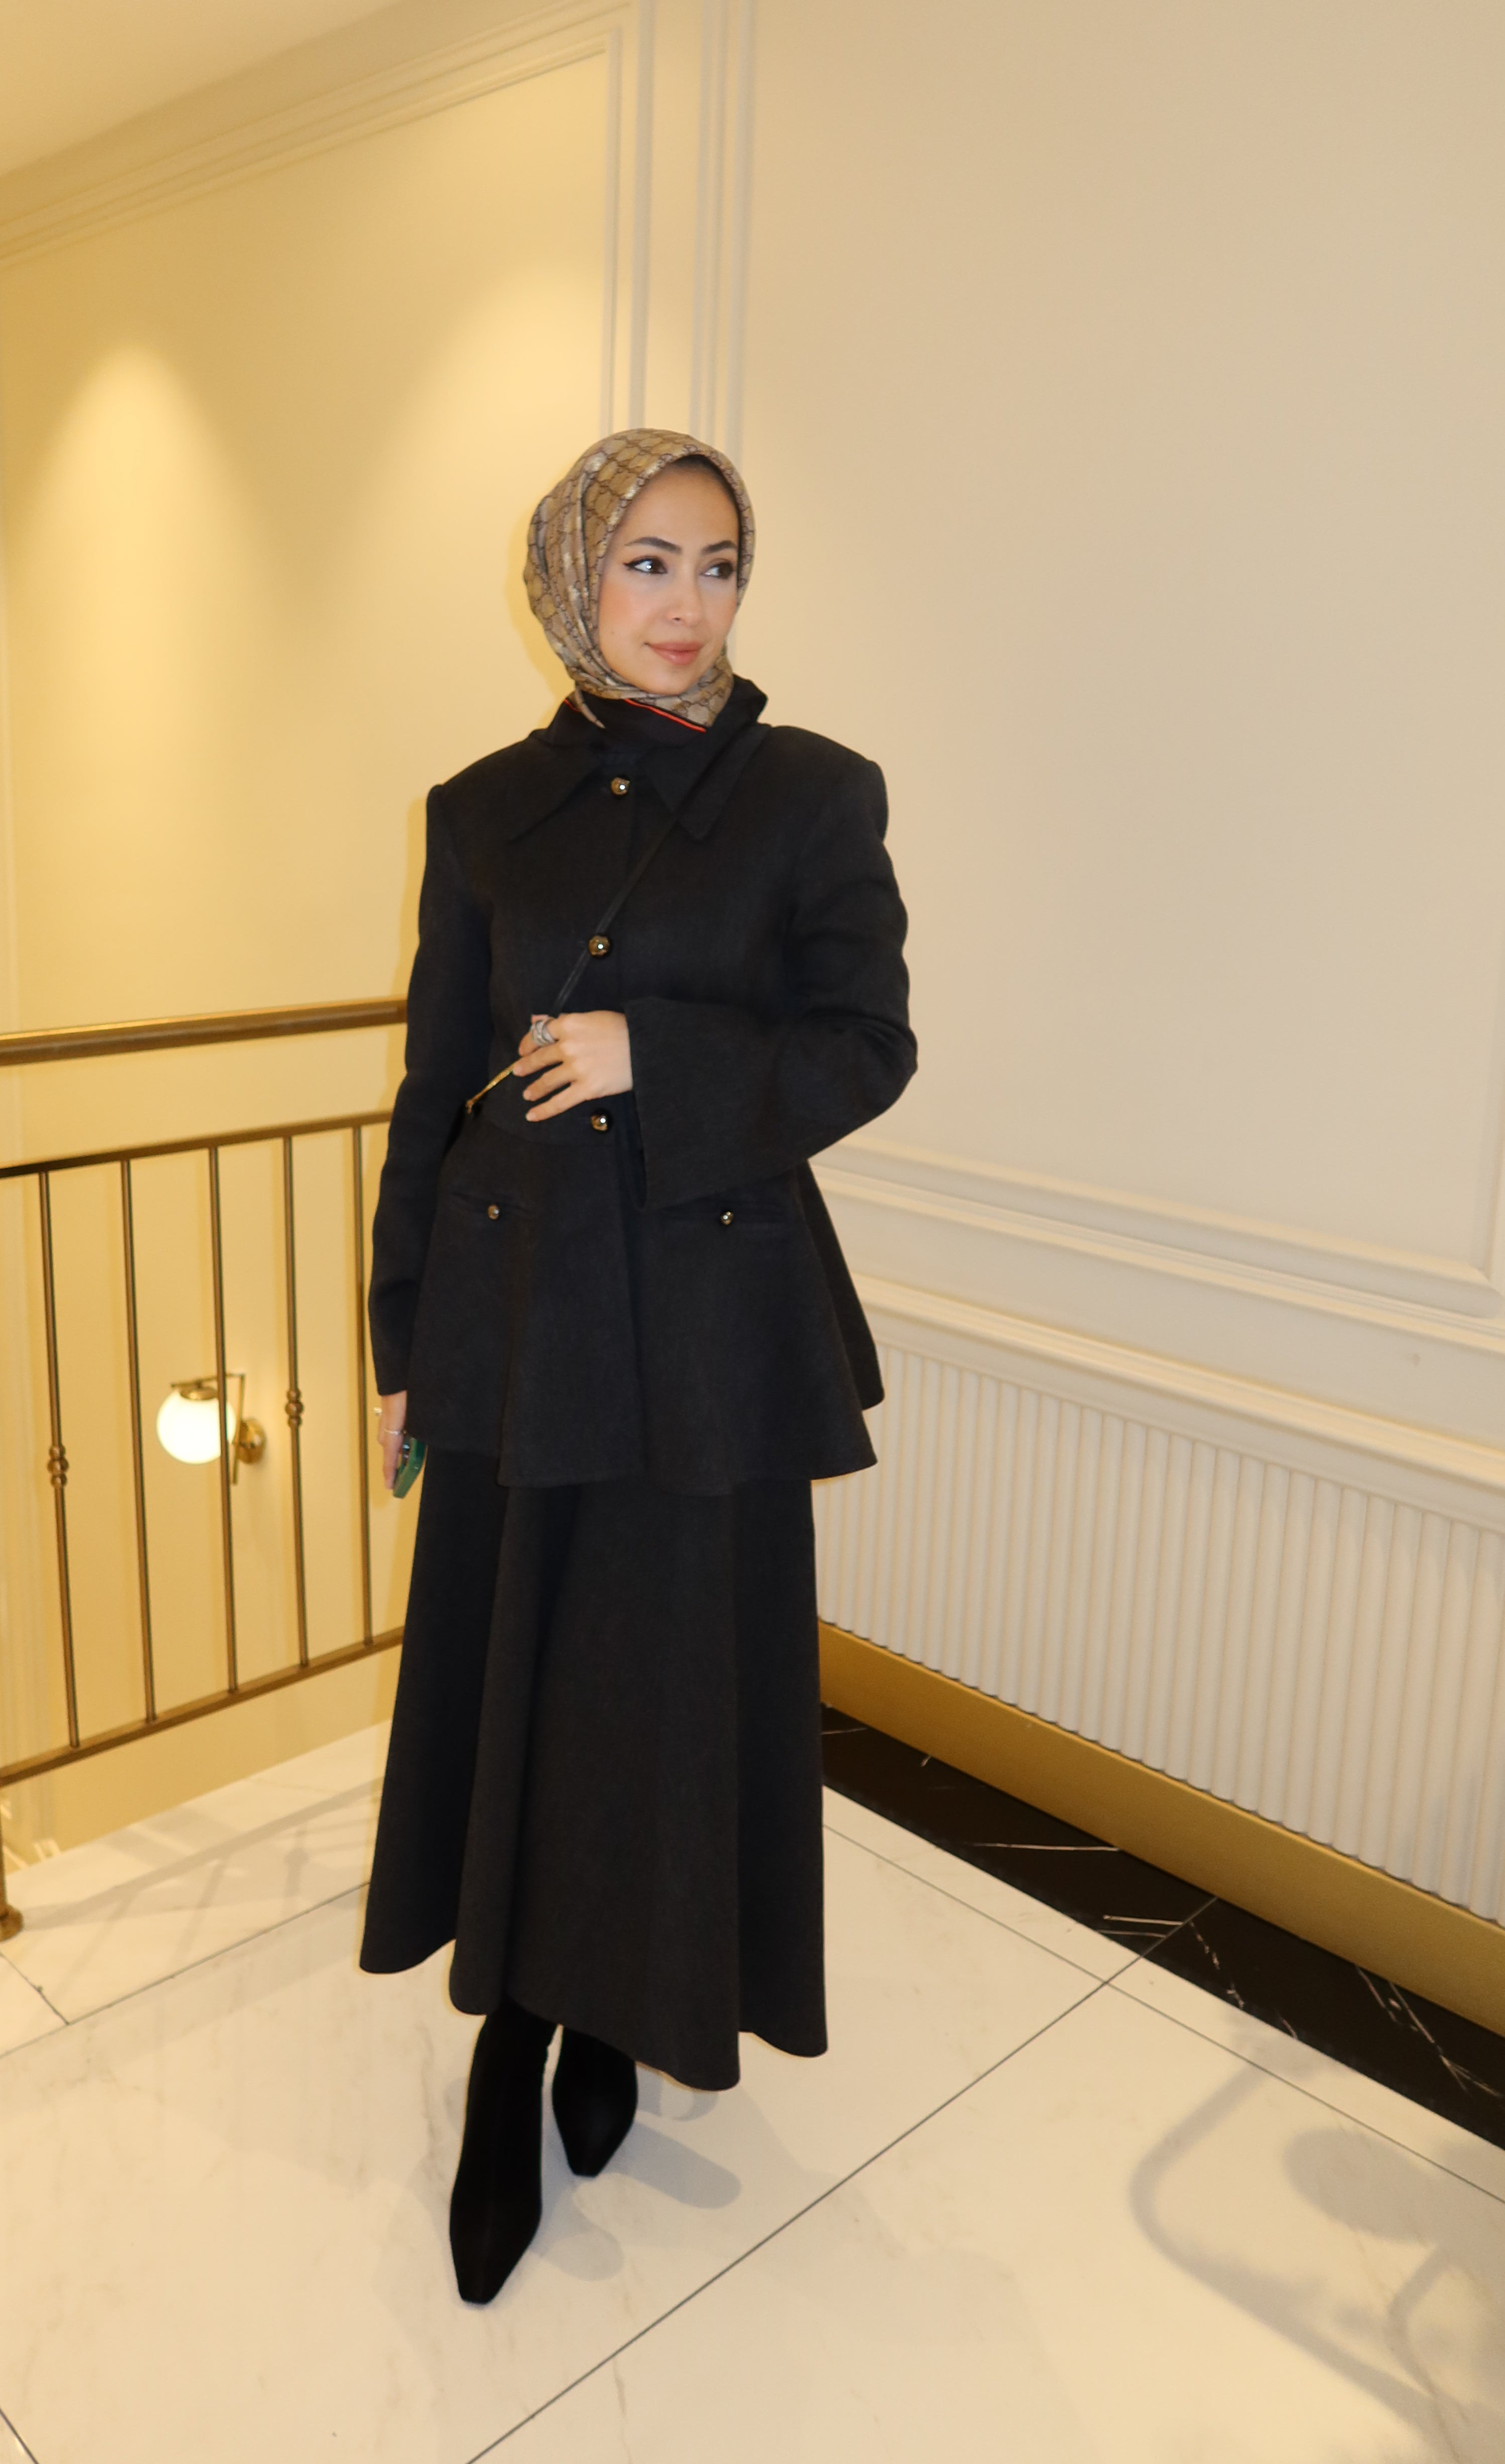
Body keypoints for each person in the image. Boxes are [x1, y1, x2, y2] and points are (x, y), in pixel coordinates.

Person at [360, 427, 915, 2303]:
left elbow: (865, 1046)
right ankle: (510, 2050)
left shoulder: (813, 795)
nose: (688, 606)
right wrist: (399, 1333)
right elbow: (434, 1094)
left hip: (708, 1336)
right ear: (575, 578)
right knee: (517, 1677)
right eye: (648, 564)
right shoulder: (481, 810)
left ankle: (615, 2012)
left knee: (659, 1695)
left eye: (719, 564)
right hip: (517, 1324)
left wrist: (648, 1054)